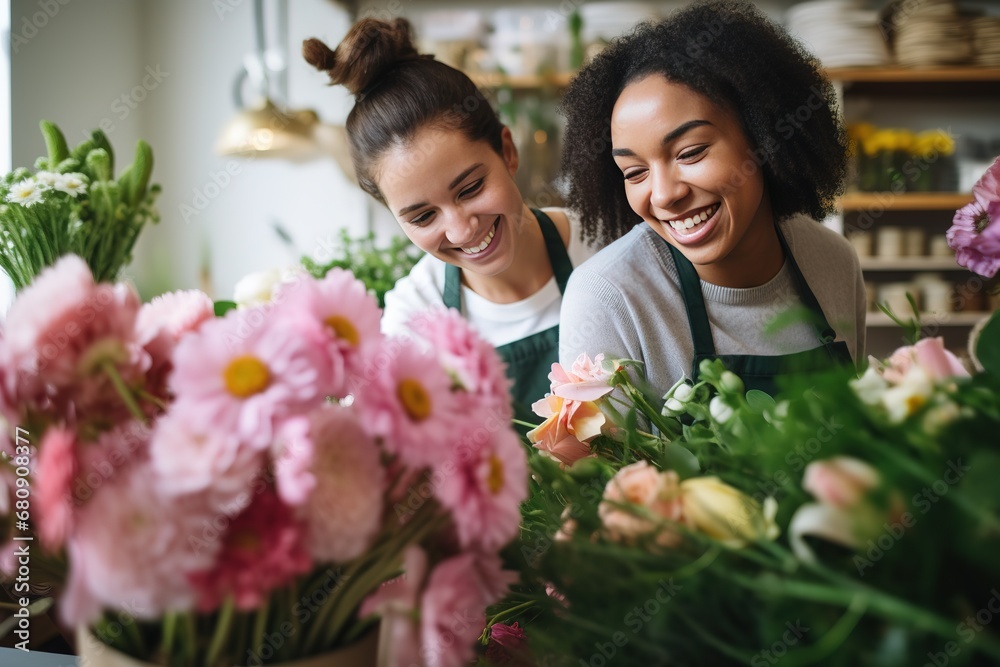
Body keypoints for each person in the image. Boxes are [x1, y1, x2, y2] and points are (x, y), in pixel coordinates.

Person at [557, 0, 866, 397]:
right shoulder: (608, 297)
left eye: (690, 153)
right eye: (635, 173)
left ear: (763, 136)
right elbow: (606, 460)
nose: (665, 194)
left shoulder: (833, 262)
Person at [304, 18, 601, 420]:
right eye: (423, 216)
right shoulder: (414, 318)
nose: (462, 229)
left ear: (507, 152)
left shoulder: (603, 244)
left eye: (471, 189)